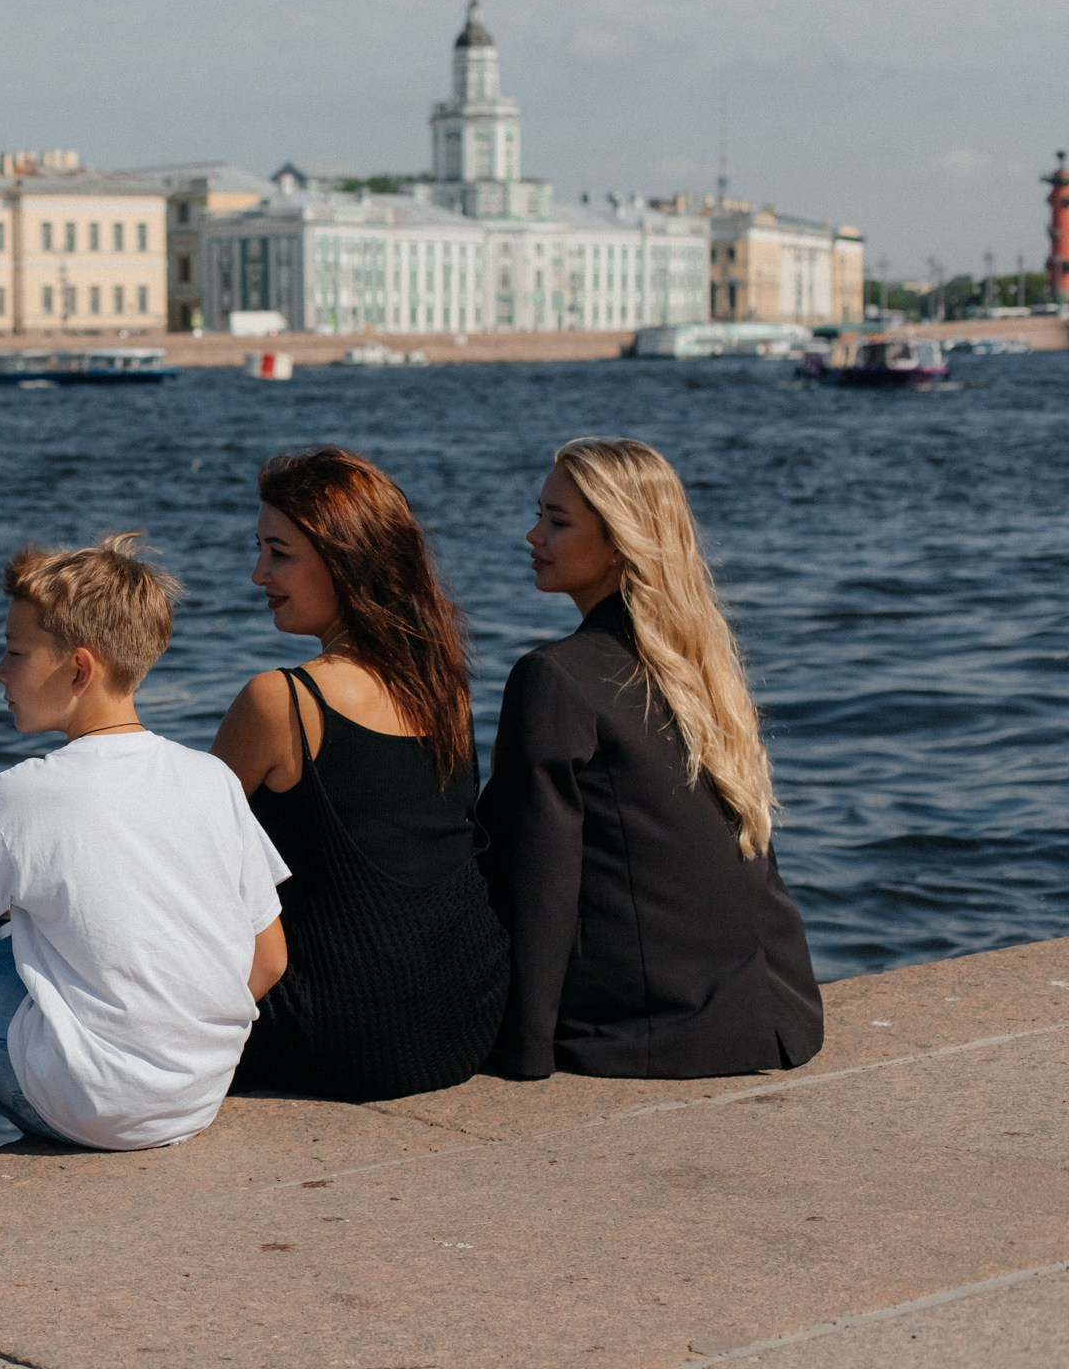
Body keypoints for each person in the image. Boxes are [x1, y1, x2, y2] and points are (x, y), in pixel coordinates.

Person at [0, 533, 290, 1160]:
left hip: (96, 1104)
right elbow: (268, 960)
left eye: (14, 653)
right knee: (22, 937)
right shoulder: (210, 778)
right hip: (198, 1093)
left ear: (78, 669)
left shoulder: (23, 794)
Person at [479, 438, 822, 1079]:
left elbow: (540, 883)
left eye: (557, 521)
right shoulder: (701, 666)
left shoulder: (554, 678)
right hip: (770, 1011)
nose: (533, 535)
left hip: (650, 1030)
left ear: (619, 542)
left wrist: (522, 1053)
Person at [211, 449, 509, 1103]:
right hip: (467, 1014)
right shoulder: (442, 685)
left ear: (345, 558)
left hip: (341, 1036)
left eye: (279, 552)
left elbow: (183, 864)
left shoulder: (279, 701)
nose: (258, 573)